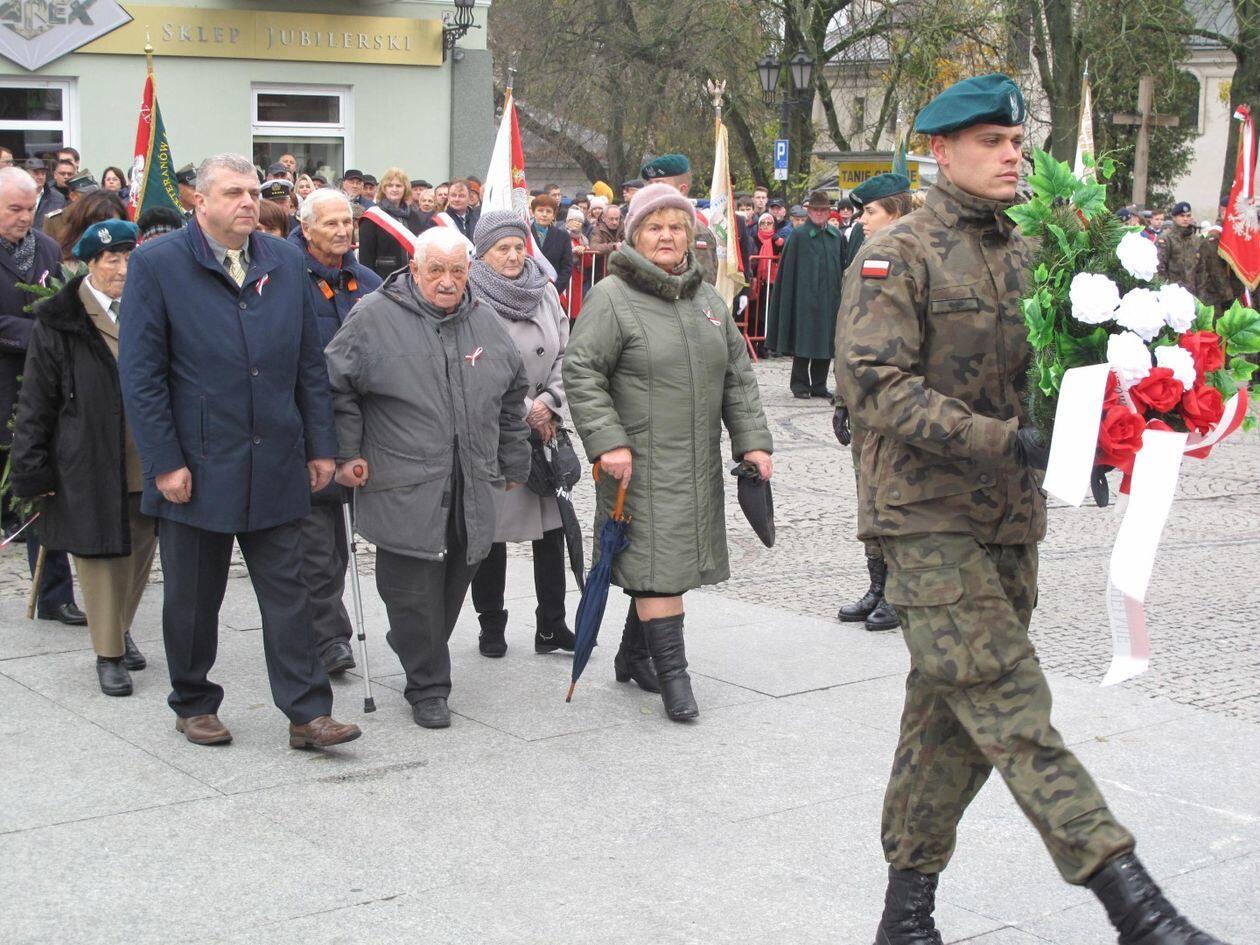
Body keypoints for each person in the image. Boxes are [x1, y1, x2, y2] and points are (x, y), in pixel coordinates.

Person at [835, 74, 1228, 945]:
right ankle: (1138, 909)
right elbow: (873, 385)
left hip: (1011, 520)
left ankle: (905, 918)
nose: (1012, 155)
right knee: (1010, 702)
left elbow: (1056, 377)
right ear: (942, 153)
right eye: (992, 142)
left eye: (1016, 141)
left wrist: (1097, 435)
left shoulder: (1032, 253)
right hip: (924, 518)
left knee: (948, 720)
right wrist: (1004, 440)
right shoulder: (898, 253)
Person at [119, 153, 361, 751]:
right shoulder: (157, 263)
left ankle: (308, 713)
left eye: (253, 192)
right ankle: (194, 702)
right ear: (199, 202)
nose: (248, 202)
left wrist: (320, 446)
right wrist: (164, 461)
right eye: (233, 192)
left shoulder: (284, 259)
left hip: (276, 456)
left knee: (291, 594)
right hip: (198, 462)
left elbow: (308, 361)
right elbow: (142, 376)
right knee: (193, 598)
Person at [563, 183, 772, 722]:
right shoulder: (611, 297)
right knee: (658, 566)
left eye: (676, 227)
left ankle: (634, 656)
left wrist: (753, 442)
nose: (667, 236)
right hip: (637, 463)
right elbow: (582, 372)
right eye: (654, 227)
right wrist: (608, 441)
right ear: (634, 235)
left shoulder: (707, 300)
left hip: (696, 462)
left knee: (667, 562)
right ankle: (675, 678)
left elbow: (738, 377)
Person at [324, 226, 531, 730]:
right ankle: (429, 686)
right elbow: (336, 387)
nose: (447, 281)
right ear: (414, 269)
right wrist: (347, 452)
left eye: (457, 271)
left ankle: (415, 643)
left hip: (472, 481)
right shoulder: (373, 316)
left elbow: (511, 395)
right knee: (410, 589)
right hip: (403, 481)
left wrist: (513, 459)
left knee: (456, 577)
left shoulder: (483, 319)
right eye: (435, 270)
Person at [10, 219, 155, 696]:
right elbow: (36, 401)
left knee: (138, 553)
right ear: (89, 264)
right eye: (112, 260)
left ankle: (120, 628)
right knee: (98, 556)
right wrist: (32, 470)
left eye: (130, 258)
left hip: (145, 458)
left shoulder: (149, 309)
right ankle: (107, 653)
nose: (123, 269)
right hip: (86, 458)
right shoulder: (61, 320)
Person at [464, 210, 577, 657]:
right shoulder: (470, 295)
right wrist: (528, 409)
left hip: (544, 427)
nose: (513, 256)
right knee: (491, 533)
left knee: (551, 529)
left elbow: (567, 351)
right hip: (497, 428)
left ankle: (552, 624)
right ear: (482, 254)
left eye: (518, 247)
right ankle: (491, 625)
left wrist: (551, 401)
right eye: (502, 249)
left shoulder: (543, 290)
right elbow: (477, 363)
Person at [289, 188, 381, 675]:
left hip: (362, 430)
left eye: (348, 222)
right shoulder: (285, 276)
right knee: (318, 547)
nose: (343, 231)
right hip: (309, 427)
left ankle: (321, 628)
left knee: (344, 542)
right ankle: (328, 639)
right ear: (306, 228)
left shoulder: (367, 281)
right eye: (331, 223)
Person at [0, 167, 86, 626]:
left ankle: (55, 594)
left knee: (42, 486)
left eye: (29, 208)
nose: (24, 217)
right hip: (3, 381)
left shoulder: (48, 248)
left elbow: (62, 301)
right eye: (14, 209)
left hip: (42, 390)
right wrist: (41, 334)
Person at [831, 173, 912, 634]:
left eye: (870, 212)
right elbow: (850, 331)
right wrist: (842, 397)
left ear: (895, 210)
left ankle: (898, 590)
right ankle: (878, 585)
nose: (862, 220)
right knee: (868, 493)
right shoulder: (868, 249)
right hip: (862, 395)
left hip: (890, 396)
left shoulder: (906, 252)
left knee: (892, 493)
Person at [766, 190, 843, 399]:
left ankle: (819, 385)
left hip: (829, 299)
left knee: (825, 341)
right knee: (804, 340)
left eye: (823, 210)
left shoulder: (836, 236)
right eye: (815, 209)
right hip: (803, 299)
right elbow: (788, 271)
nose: (819, 213)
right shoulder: (798, 236)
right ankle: (799, 384)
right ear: (808, 211)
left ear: (828, 212)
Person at [639, 154, 718, 284]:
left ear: (681, 190)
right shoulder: (641, 225)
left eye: (659, 185)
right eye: (650, 185)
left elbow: (702, 284)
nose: (652, 191)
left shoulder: (696, 231)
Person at [358, 167, 425, 279]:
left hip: (411, 278)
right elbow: (366, 258)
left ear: (405, 189)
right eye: (390, 185)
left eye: (398, 186)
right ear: (384, 189)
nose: (394, 189)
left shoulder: (414, 216)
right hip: (383, 279)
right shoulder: (372, 216)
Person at [529, 193, 573, 289]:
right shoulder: (525, 234)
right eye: (540, 210)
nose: (544, 214)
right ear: (533, 213)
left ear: (553, 215)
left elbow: (566, 267)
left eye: (548, 211)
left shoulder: (563, 236)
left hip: (554, 288)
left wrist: (555, 289)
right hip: (528, 289)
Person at [1196, 224, 1243, 314]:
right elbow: (1216, 271)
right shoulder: (1214, 241)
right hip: (1213, 293)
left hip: (1227, 291)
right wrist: (1228, 295)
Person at [1157, 200, 1201, 293]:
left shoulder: (1195, 240)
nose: (1185, 219)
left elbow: (1201, 268)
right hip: (1173, 290)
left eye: (1188, 216)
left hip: (1192, 291)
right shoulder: (1166, 238)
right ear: (1174, 217)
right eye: (1182, 216)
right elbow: (1160, 266)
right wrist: (1164, 288)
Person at [27, 159, 65, 229]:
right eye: (36, 173)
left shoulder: (57, 199)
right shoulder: (17, 196)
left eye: (43, 173)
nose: (41, 177)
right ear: (26, 174)